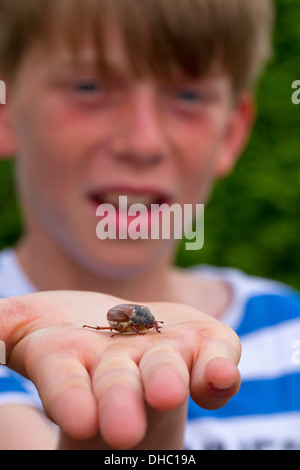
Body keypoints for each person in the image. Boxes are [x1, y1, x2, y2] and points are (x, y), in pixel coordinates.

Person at [0, 0, 299, 451]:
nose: (142, 143)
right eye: (88, 86)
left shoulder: (289, 332)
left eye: (188, 96)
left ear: (231, 133)